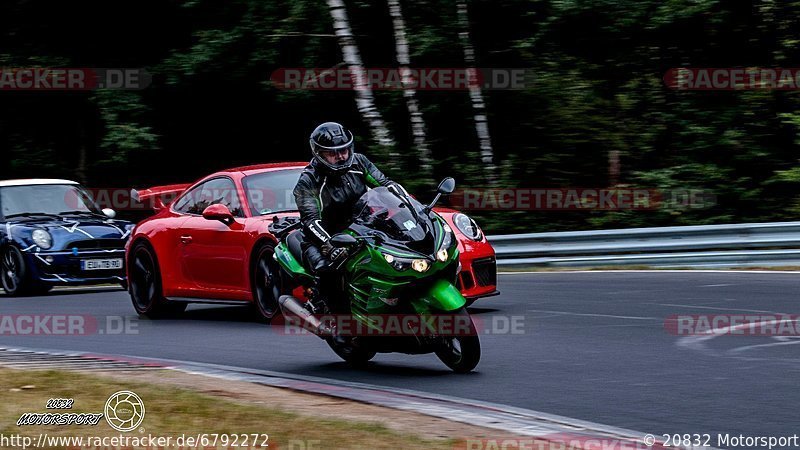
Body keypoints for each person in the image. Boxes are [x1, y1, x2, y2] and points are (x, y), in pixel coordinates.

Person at [292, 122, 407, 313]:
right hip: (325, 236)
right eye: (333, 153)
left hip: (363, 228)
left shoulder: (359, 162)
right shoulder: (308, 181)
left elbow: (386, 184)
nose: (340, 156)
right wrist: (330, 244)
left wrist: (413, 208)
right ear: (319, 153)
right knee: (330, 270)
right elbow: (310, 220)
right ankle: (337, 323)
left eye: (344, 150)